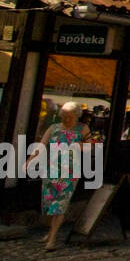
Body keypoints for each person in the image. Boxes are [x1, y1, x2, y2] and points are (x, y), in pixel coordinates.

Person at [31, 103, 90, 252]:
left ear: (76, 116)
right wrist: (30, 160)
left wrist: (77, 146)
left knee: (60, 205)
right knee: (50, 204)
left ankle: (52, 239)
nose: (66, 120)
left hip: (70, 172)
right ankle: (50, 232)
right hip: (51, 170)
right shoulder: (54, 128)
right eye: (64, 117)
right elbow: (42, 145)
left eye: (69, 117)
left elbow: (90, 146)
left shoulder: (82, 129)